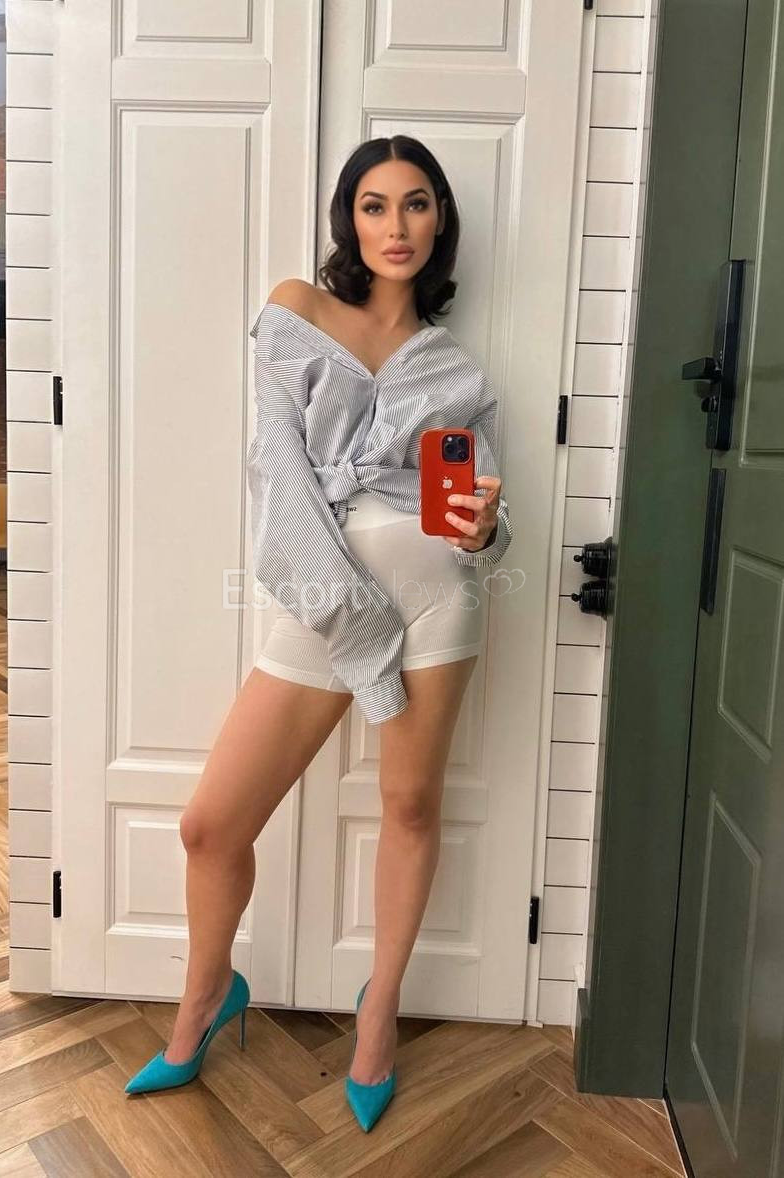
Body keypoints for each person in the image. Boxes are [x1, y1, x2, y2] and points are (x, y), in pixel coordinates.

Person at [124, 135, 512, 1132]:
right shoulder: (296, 308)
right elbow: (280, 471)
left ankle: (378, 1013)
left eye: (416, 203)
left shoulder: (456, 368)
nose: (396, 225)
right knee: (211, 824)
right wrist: (352, 621)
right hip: (326, 599)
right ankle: (207, 997)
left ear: (440, 220)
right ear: (350, 219)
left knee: (410, 807)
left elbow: (476, 514)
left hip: (440, 601)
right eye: (374, 205)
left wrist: (485, 528)